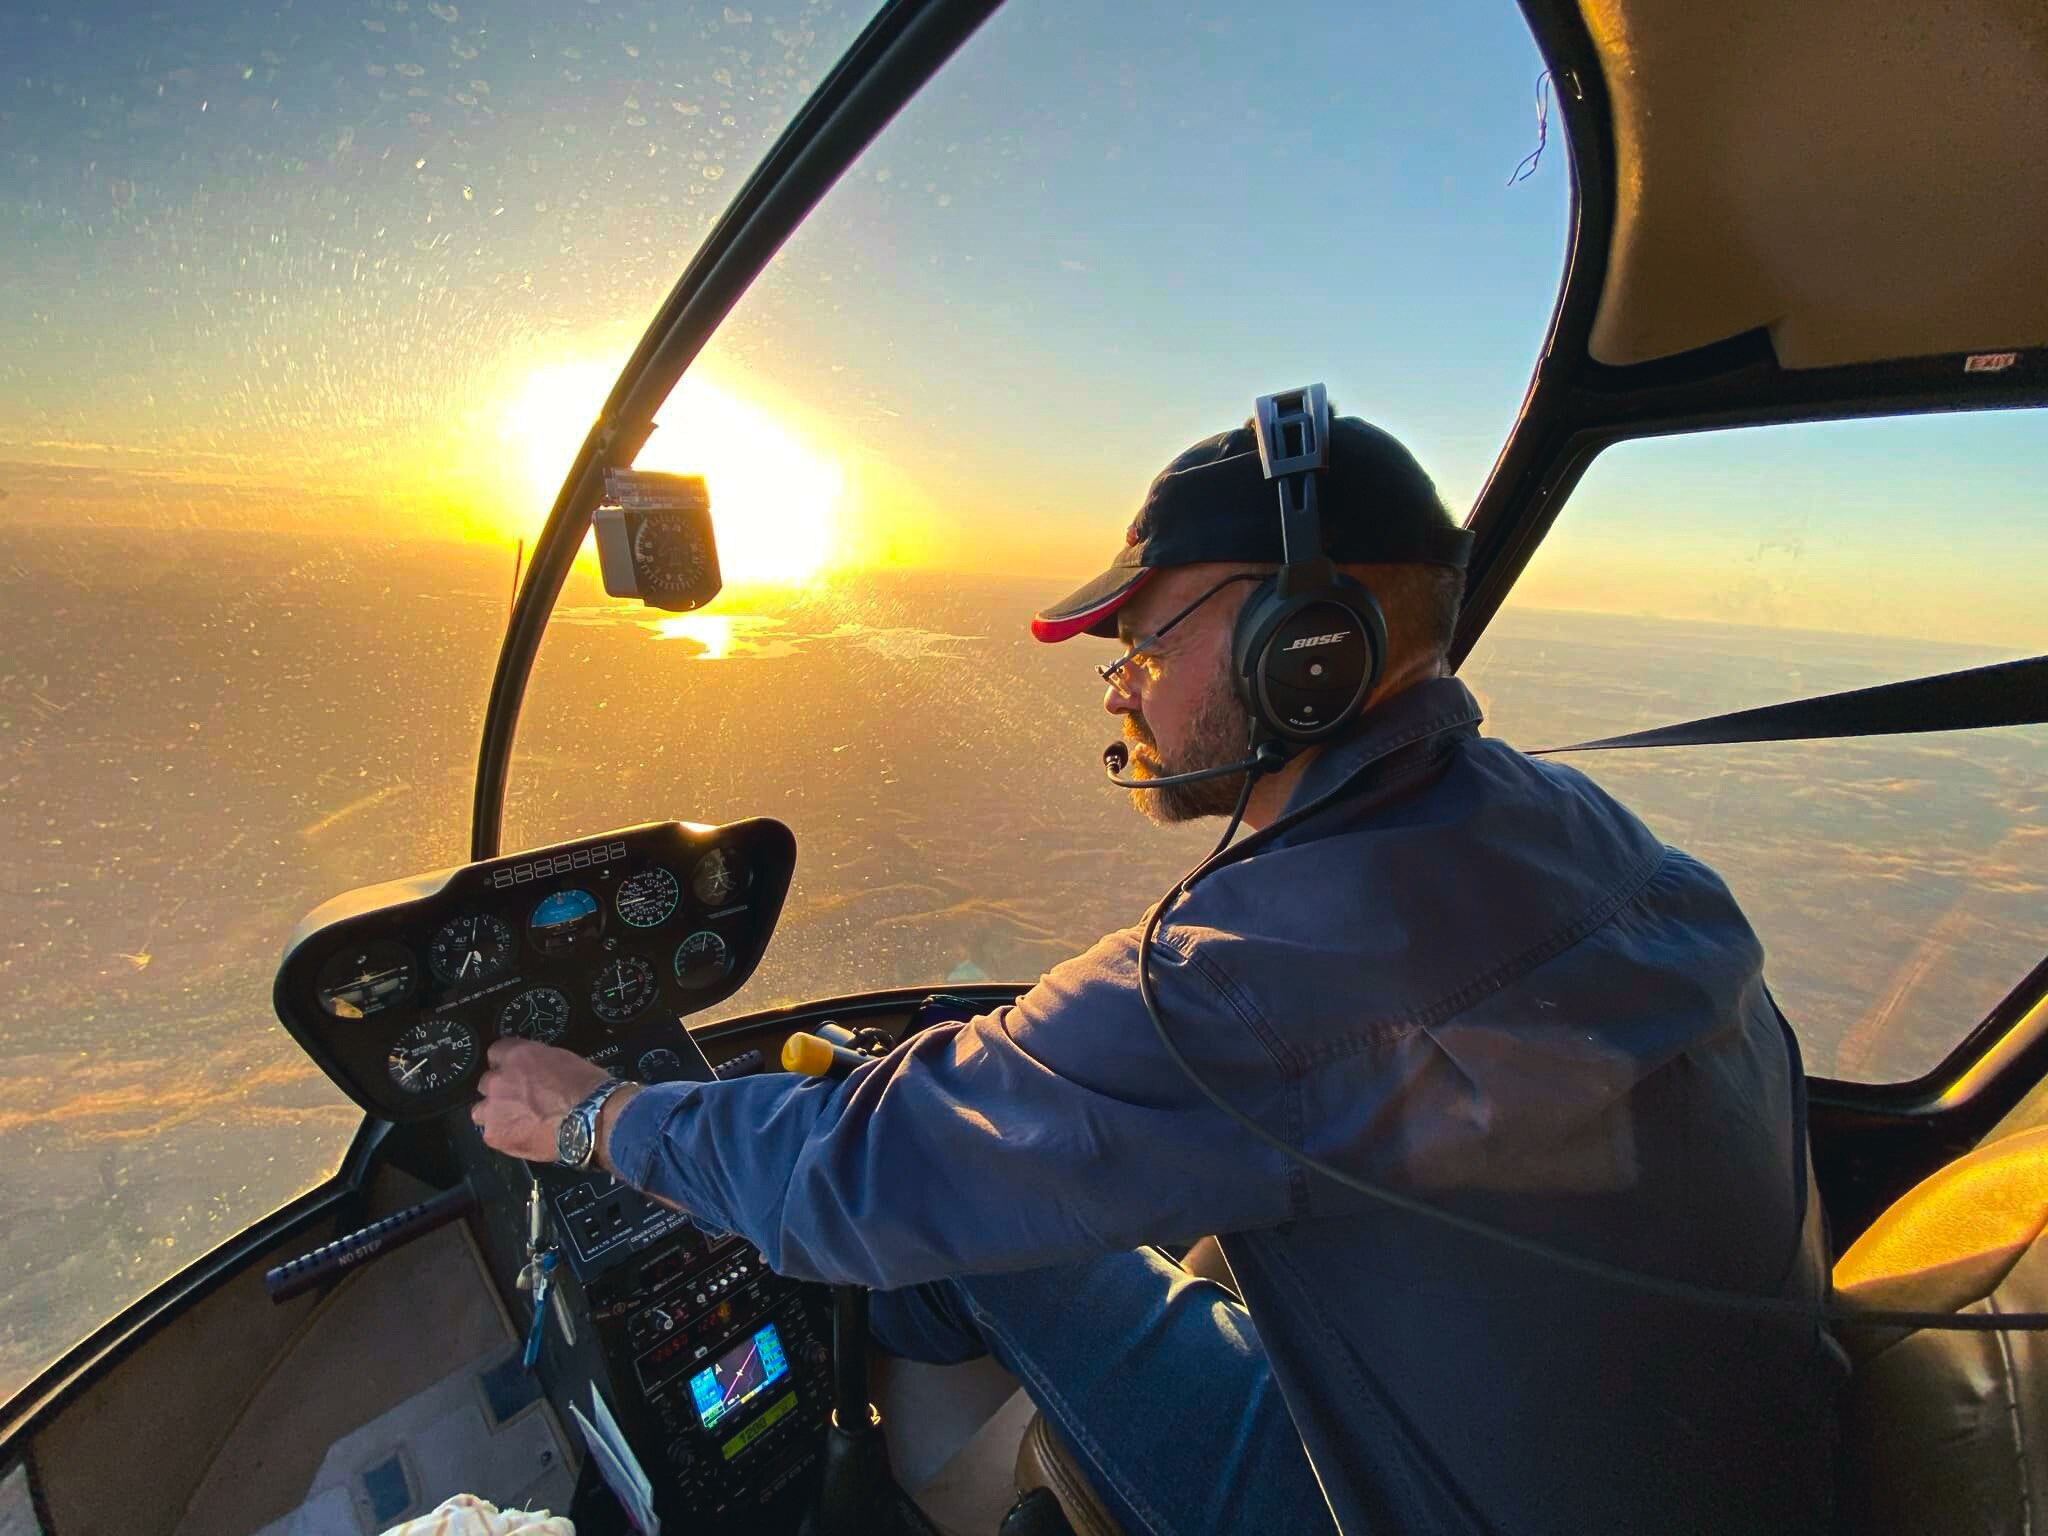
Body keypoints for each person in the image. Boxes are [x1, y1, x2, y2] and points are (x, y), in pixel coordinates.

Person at [474, 413, 1843, 1535]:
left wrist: (589, 1116)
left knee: (967, 1235)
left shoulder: (1249, 973)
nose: (1119, 685)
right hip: (1744, 1473)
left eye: (1146, 639)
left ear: (1302, 648)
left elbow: (855, 1178)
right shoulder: (1600, 835)